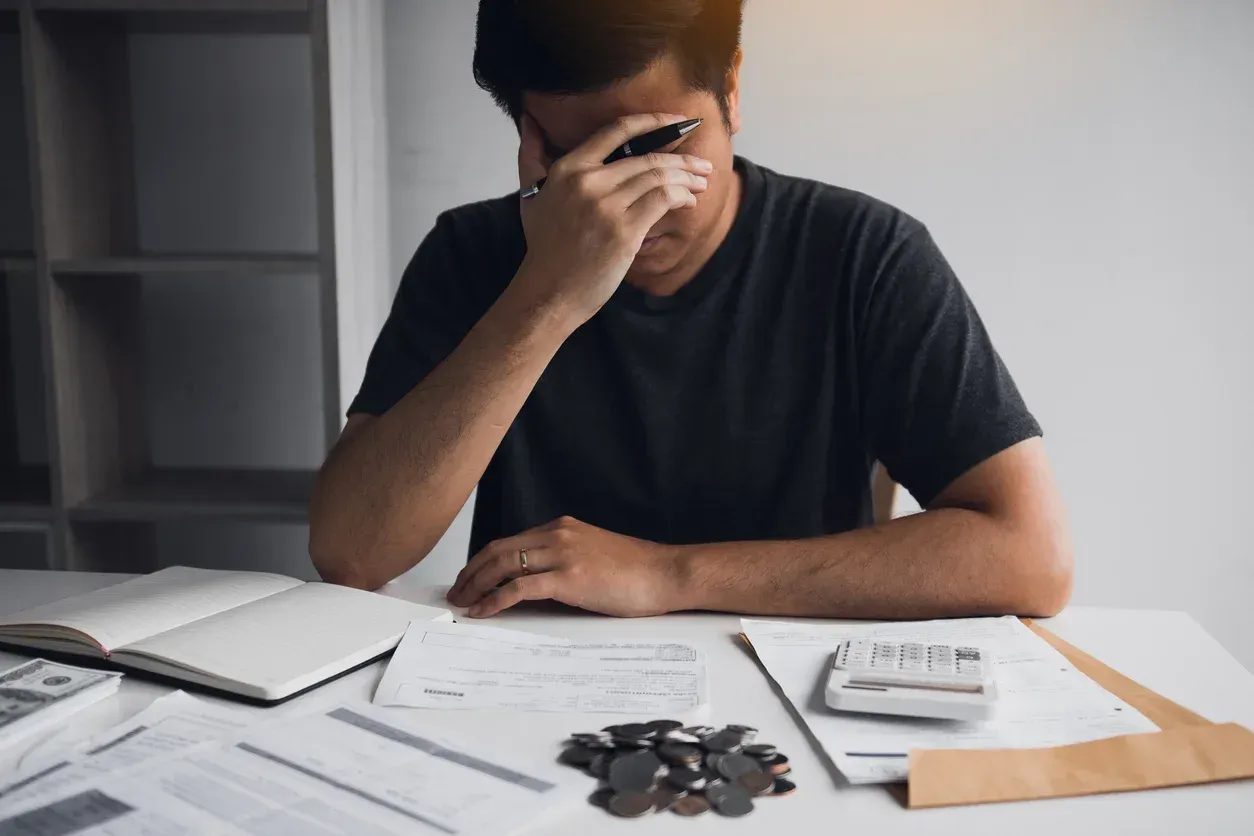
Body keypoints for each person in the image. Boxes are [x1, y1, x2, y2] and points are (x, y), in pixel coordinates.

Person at [309, 0, 1073, 621]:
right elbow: (351, 553)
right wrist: (546, 298)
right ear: (529, 139)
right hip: (535, 703)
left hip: (790, 701)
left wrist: (669, 575)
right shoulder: (472, 254)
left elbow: (1030, 557)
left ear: (731, 88)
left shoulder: (865, 254)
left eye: (663, 145)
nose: (631, 206)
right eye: (585, 162)